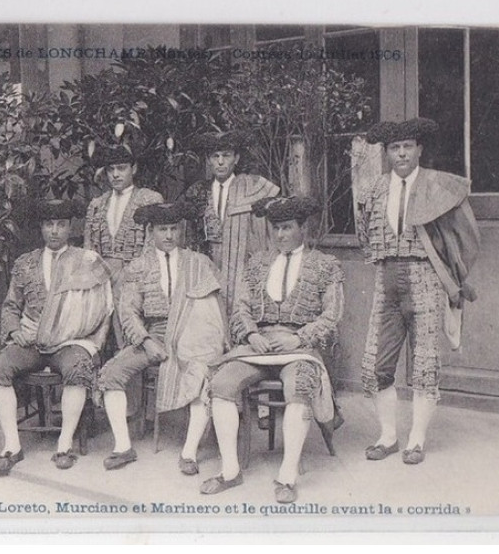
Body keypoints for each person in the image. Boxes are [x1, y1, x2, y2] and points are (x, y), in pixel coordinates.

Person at [356, 116, 480, 466]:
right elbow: (366, 235)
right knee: (376, 364)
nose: (401, 154)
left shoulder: (437, 186)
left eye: (407, 146)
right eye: (394, 148)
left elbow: (466, 238)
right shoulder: (375, 188)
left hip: (424, 277)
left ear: (419, 149)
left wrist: (451, 273)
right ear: (386, 153)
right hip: (386, 280)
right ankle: (388, 436)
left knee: (425, 362)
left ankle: (417, 440)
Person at [203, 196, 344, 502]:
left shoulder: (325, 266)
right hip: (259, 345)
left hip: (298, 347)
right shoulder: (256, 264)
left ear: (302, 228)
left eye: (287, 228)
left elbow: (332, 315)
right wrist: (251, 334)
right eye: (276, 229)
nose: (280, 235)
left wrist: (299, 337)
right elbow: (239, 307)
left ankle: (288, 476)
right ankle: (230, 470)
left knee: (301, 385)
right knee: (221, 384)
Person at [97, 201, 228, 474]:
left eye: (173, 229)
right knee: (111, 373)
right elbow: (128, 312)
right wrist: (145, 341)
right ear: (151, 232)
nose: (168, 235)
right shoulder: (138, 267)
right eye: (161, 229)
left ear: (180, 230)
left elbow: (215, 305)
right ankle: (123, 446)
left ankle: (189, 452)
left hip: (194, 334)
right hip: (154, 334)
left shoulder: (199, 263)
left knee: (203, 377)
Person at [0, 198, 113, 475]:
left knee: (78, 367)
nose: (54, 231)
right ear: (41, 228)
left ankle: (64, 444)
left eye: (61, 225)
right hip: (32, 340)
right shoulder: (25, 263)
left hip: (70, 342)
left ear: (69, 228)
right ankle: (12, 445)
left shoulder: (85, 262)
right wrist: (13, 331)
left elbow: (102, 307)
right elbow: (11, 305)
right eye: (49, 224)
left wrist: (85, 334)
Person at [183, 129, 279, 315]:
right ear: (208, 160)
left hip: (242, 259)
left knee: (240, 308)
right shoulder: (198, 191)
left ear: (236, 158)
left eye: (226, 156)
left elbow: (265, 233)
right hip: (209, 261)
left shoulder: (253, 187)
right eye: (215, 156)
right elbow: (190, 236)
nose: (220, 162)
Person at [83, 144, 166, 282]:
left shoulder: (149, 199)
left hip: (137, 280)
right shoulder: (96, 205)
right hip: (101, 281)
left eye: (121, 168)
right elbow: (88, 249)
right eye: (110, 170)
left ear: (133, 169)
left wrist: (132, 277)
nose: (115, 175)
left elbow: (152, 249)